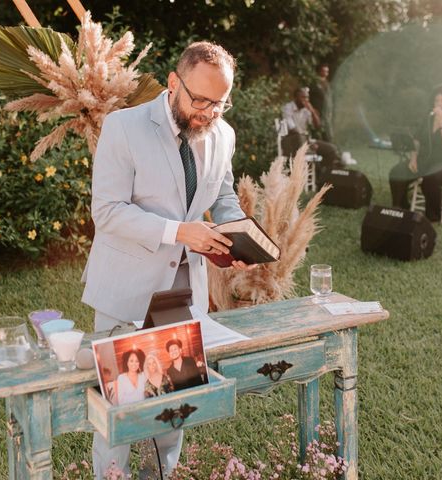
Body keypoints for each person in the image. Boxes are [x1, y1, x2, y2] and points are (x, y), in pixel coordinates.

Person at [82, 41, 252, 479]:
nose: (209, 113)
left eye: (220, 103)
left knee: (173, 414)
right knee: (120, 415)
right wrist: (180, 232)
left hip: (183, 297)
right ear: (174, 83)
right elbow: (107, 211)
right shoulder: (123, 127)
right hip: (127, 294)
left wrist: (239, 238)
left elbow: (225, 194)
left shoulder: (223, 133)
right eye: (200, 100)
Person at [389, 83, 442, 221]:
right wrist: (413, 158)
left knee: (431, 177)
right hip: (426, 161)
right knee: (397, 171)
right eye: (437, 100)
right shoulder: (427, 120)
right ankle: (401, 208)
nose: (439, 103)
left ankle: (432, 216)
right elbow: (417, 141)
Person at [281, 87, 343, 188]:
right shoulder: (288, 107)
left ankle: (322, 178)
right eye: (303, 97)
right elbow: (292, 129)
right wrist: (308, 144)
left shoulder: (306, 110)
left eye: (307, 98)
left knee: (331, 150)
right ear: (295, 97)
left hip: (305, 140)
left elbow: (318, 126)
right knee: (299, 137)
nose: (305, 100)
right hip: (290, 141)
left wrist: (312, 111)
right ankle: (312, 166)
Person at [309, 63, 333, 141]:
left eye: (327, 72)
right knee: (318, 133)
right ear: (319, 72)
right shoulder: (313, 83)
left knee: (328, 133)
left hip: (327, 113)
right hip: (318, 112)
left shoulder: (327, 84)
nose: (326, 74)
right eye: (324, 71)